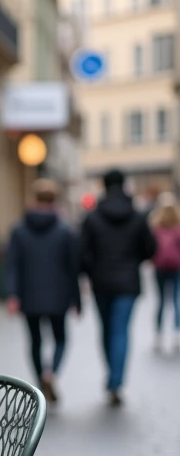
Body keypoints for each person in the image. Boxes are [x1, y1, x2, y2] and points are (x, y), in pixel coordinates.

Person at [80, 169, 157, 406]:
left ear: (103, 185)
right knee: (121, 331)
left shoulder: (92, 217)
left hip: (101, 282)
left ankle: (111, 375)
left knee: (106, 330)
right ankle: (116, 381)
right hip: (128, 282)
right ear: (124, 185)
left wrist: (92, 272)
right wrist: (133, 262)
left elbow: (83, 253)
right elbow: (150, 249)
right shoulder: (136, 216)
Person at [4, 178, 82, 403]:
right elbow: (72, 269)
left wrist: (13, 295)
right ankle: (52, 373)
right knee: (60, 339)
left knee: (35, 341)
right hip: (59, 295)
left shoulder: (19, 230)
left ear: (34, 199)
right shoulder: (66, 231)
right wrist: (77, 300)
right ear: (55, 200)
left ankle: (40, 381)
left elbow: (12, 265)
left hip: (29, 296)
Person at [150, 193, 180, 352]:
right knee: (176, 300)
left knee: (161, 301)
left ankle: (159, 334)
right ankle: (177, 333)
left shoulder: (156, 226)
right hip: (176, 267)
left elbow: (150, 248)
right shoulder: (178, 227)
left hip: (160, 268)